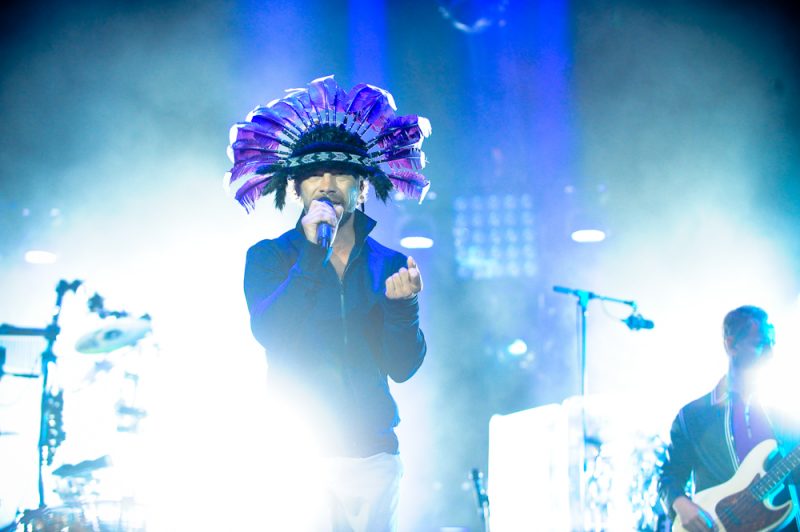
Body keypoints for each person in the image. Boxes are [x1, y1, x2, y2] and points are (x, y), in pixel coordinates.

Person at [225, 76, 432, 531]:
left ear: (362, 186)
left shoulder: (390, 263)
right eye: (313, 175)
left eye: (340, 173)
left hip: (373, 454)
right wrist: (312, 255)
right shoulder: (268, 257)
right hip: (299, 451)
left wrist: (404, 308)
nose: (326, 184)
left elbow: (402, 367)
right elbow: (270, 332)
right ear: (294, 188)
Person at [659, 305, 800, 532]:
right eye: (760, 344)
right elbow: (669, 476)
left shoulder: (783, 415)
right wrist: (680, 503)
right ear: (731, 344)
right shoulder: (692, 416)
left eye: (772, 343)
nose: (770, 353)